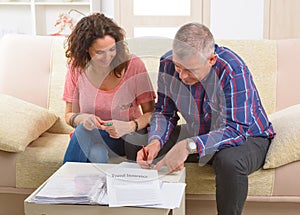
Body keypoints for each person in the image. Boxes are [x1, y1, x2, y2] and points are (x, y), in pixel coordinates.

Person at [137, 23, 276, 215]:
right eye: (178, 67)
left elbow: (236, 129)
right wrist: (155, 142)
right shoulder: (168, 63)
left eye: (190, 70)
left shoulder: (233, 70)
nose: (182, 76)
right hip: (202, 132)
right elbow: (164, 112)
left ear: (211, 59)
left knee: (229, 162)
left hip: (247, 136)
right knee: (138, 142)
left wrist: (188, 146)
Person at [62, 13, 156, 164]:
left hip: (125, 138)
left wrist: (130, 126)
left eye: (112, 49)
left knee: (84, 133)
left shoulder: (133, 65)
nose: (108, 57)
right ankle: (98, 187)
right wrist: (81, 118)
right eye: (100, 52)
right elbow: (68, 115)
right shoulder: (76, 68)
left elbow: (152, 113)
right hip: (90, 137)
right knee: (96, 151)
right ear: (86, 49)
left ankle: (64, 183)